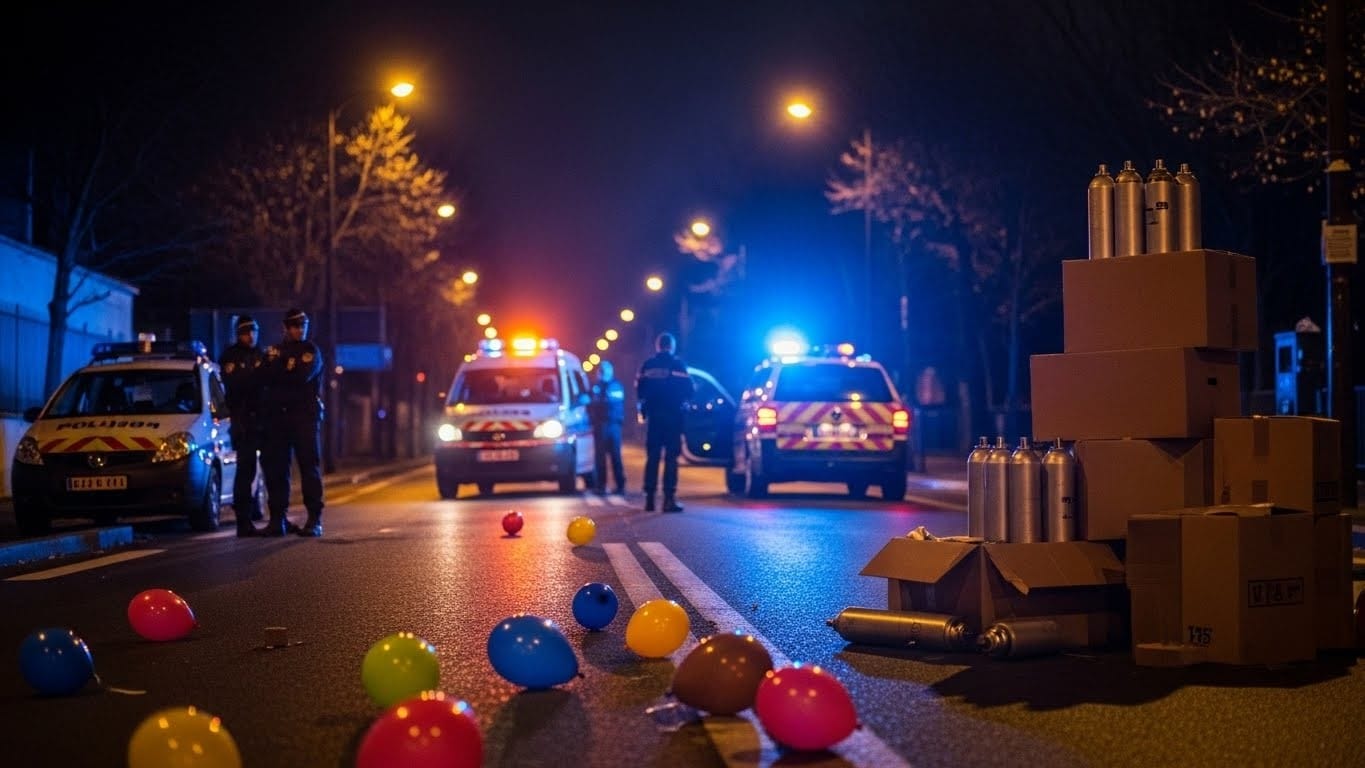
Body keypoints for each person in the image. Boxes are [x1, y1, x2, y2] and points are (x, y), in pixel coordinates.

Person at [260, 308, 325, 537]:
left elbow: (301, 376)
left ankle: (314, 519)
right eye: (296, 326)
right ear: (286, 328)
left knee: (309, 468)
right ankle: (278, 519)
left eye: (303, 325)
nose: (300, 329)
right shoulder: (275, 351)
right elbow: (264, 377)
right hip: (278, 416)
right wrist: (284, 369)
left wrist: (281, 371)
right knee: (277, 469)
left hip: (304, 417)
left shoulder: (311, 351)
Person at [635, 332, 694, 512]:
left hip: (654, 418)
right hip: (673, 417)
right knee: (671, 458)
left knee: (652, 457)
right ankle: (669, 499)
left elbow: (639, 390)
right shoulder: (678, 365)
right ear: (672, 346)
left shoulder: (648, 365)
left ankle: (650, 499)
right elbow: (690, 390)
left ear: (657, 346)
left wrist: (645, 409)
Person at [219, 315, 265, 536]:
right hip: (243, 422)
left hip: (263, 420)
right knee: (245, 472)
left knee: (271, 470)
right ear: (239, 334)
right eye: (247, 332)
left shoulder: (261, 354)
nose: (252, 336)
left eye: (254, 331)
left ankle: (276, 519)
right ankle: (243, 521)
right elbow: (236, 386)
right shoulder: (231, 356)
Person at [588, 360, 626, 495]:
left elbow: (612, 403)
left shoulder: (615, 386)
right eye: (601, 371)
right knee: (600, 457)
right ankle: (601, 486)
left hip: (613, 424)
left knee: (615, 456)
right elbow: (591, 404)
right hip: (600, 425)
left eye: (604, 371)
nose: (602, 373)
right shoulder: (596, 387)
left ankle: (620, 485)